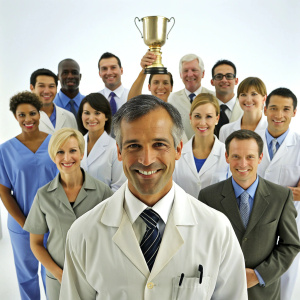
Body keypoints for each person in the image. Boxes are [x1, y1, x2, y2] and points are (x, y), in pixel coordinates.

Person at [59, 95, 248, 300]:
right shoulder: (84, 233)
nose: (147, 160)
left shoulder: (216, 229)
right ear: (119, 151)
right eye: (133, 146)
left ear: (178, 149)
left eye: (159, 144)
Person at [199, 130, 300, 300]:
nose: (243, 163)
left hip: (264, 293)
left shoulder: (280, 197)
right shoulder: (208, 197)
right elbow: (200, 244)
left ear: (260, 158)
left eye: (250, 157)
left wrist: (258, 275)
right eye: (236, 156)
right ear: (227, 157)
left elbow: (290, 245)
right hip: (220, 291)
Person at [23, 128, 113, 300]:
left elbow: (114, 235)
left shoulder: (102, 192)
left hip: (95, 278)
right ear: (53, 156)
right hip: (58, 280)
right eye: (60, 152)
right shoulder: (43, 196)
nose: (66, 158)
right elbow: (35, 243)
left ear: (81, 153)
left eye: (72, 150)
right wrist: (58, 274)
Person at [0, 91, 57, 300]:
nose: (27, 119)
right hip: (21, 224)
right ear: (15, 117)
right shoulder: (5, 150)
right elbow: (4, 192)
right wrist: (25, 224)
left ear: (40, 113)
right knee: (26, 276)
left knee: (51, 272)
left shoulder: (55, 144)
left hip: (53, 223)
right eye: (21, 115)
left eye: (32, 113)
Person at [257, 87, 300, 300]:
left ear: (294, 113)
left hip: (290, 225)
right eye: (273, 108)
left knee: (288, 284)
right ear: (265, 110)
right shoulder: (250, 141)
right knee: (256, 283)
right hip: (254, 223)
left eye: (286, 109)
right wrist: (288, 192)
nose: (278, 115)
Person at [173, 93, 229, 198]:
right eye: (197, 116)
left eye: (208, 116)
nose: (202, 123)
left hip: (216, 213)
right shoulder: (177, 155)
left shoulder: (228, 154)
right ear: (190, 118)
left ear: (217, 119)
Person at [77, 93, 126, 192]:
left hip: (105, 205)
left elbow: (119, 187)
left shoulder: (114, 148)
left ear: (106, 116)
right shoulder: (76, 144)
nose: (91, 118)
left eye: (97, 113)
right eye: (86, 113)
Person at [168, 54, 215, 140]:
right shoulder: (172, 99)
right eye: (185, 71)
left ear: (203, 73)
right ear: (180, 75)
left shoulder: (214, 97)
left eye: (194, 70)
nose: (190, 74)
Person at [219, 77, 268, 143]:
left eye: (254, 94)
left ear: (264, 98)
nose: (248, 100)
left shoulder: (272, 129)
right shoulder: (225, 130)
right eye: (243, 94)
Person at [30, 68, 78, 134]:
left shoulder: (69, 117)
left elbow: (76, 142)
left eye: (51, 86)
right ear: (32, 88)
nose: (46, 91)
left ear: (56, 88)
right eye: (41, 86)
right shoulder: (26, 117)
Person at [210, 60, 243, 137]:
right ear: (212, 82)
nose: (224, 80)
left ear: (236, 80)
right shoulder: (204, 107)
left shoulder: (245, 109)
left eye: (229, 76)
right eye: (219, 76)